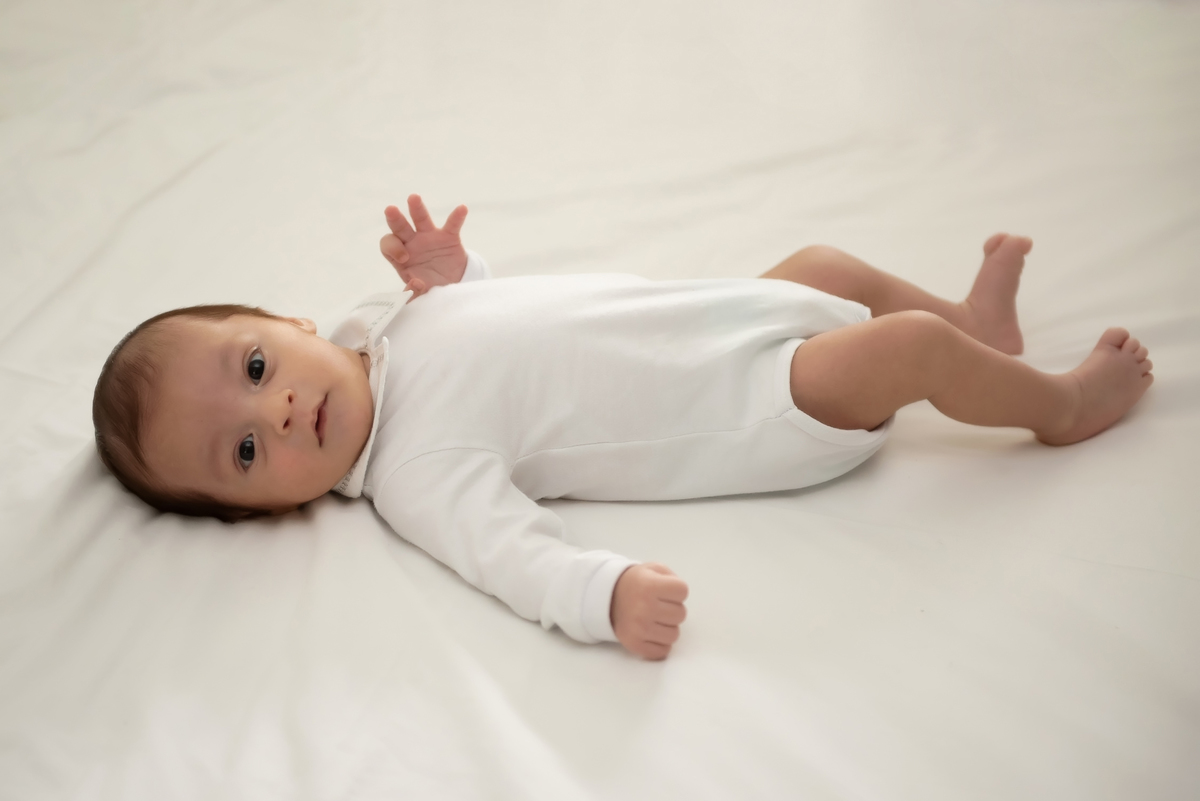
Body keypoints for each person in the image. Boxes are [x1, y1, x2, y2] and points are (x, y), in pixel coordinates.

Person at [92, 195, 1154, 660]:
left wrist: (459, 275)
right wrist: (603, 595)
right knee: (903, 348)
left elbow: (506, 331)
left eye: (255, 369)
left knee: (827, 267)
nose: (276, 410)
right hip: (751, 403)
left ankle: (980, 329)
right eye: (245, 451)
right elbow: (508, 555)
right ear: (268, 508)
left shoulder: (382, 324)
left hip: (718, 316)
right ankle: (1060, 407)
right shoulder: (415, 472)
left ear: (286, 322)